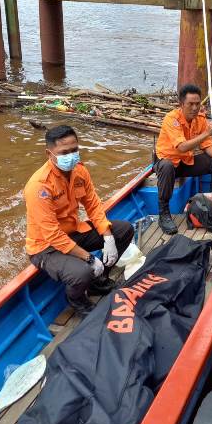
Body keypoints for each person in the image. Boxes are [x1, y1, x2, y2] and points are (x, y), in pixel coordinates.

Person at [24, 125, 134, 315]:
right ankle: (77, 300)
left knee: (123, 230)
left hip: (73, 232)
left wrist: (107, 236)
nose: (71, 156)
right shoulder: (39, 186)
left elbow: (93, 205)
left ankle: (98, 280)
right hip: (46, 246)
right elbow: (51, 234)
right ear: (49, 153)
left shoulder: (80, 171)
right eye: (64, 152)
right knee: (81, 272)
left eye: (74, 150)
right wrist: (89, 258)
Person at [154, 83, 212, 234]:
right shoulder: (171, 119)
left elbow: (207, 145)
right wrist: (206, 133)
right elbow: (181, 147)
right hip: (166, 162)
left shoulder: (200, 119)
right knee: (167, 166)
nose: (195, 108)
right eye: (190, 104)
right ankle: (164, 214)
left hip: (185, 161)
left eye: (197, 104)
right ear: (181, 104)